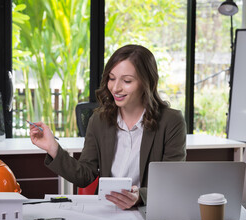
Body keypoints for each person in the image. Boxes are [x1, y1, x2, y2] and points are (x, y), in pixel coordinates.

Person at [29, 44, 186, 210]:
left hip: (149, 210)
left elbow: (172, 181)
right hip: (107, 210)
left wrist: (140, 196)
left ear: (147, 82)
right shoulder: (99, 120)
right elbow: (85, 175)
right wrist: (52, 147)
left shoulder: (171, 121)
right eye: (111, 78)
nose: (116, 88)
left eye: (127, 81)